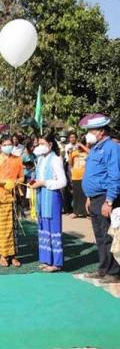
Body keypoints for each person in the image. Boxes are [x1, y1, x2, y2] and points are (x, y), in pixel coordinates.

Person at [81, 114, 120, 283]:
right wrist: (89, 197)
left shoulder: (111, 147)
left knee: (108, 235)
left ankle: (113, 271)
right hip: (94, 198)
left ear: (101, 131)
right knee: (99, 236)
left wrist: (109, 201)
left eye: (91, 130)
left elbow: (115, 176)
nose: (88, 133)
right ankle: (103, 269)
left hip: (105, 198)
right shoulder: (96, 147)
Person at [31, 133, 67, 273]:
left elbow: (62, 181)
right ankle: (47, 260)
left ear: (50, 145)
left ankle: (56, 263)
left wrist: (44, 183)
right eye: (38, 144)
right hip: (41, 197)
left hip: (52, 198)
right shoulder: (41, 159)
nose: (39, 146)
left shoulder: (55, 159)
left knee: (54, 230)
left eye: (42, 144)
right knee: (44, 228)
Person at [0, 135, 23, 267]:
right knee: (1, 228)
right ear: (1, 145)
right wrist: (5, 182)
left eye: (10, 144)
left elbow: (21, 178)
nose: (8, 146)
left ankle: (14, 255)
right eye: (5, 144)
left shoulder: (17, 159)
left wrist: (15, 182)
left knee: (13, 228)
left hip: (12, 197)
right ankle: (3, 255)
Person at [68, 138, 89, 218]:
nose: (79, 147)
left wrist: (83, 147)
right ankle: (75, 212)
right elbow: (70, 163)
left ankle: (85, 212)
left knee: (84, 195)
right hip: (75, 176)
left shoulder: (87, 153)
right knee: (76, 195)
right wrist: (70, 153)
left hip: (84, 177)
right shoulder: (74, 152)